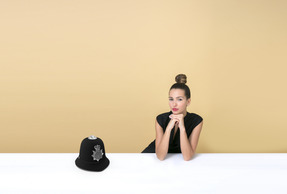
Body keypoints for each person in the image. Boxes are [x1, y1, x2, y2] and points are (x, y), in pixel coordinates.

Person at [142, 74, 203, 161]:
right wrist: (168, 129)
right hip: (151, 158)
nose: (174, 104)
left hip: (175, 161)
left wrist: (182, 128)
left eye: (179, 99)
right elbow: (160, 157)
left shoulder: (196, 121)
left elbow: (187, 157)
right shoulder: (160, 119)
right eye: (171, 99)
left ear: (188, 102)